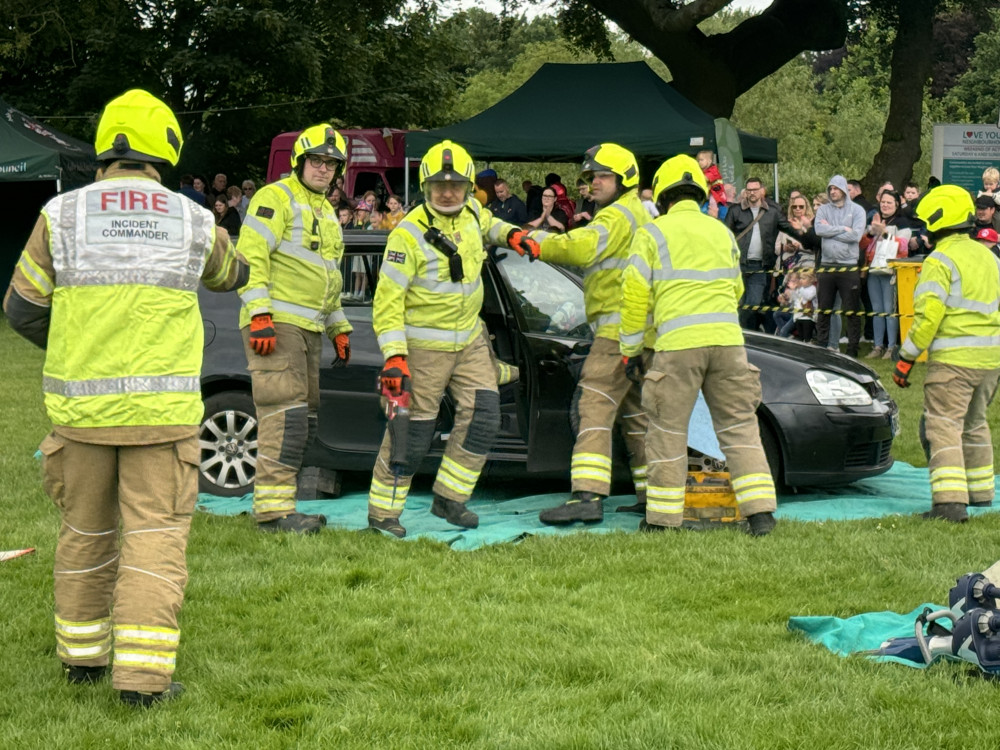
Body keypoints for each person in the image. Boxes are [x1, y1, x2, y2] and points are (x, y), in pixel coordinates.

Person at [2, 89, 249, 706]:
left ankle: (82, 659)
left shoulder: (59, 215)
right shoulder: (193, 218)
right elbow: (233, 275)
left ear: (105, 146)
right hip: (161, 423)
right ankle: (142, 683)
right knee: (154, 542)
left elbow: (22, 310)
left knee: (83, 533)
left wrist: (74, 350)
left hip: (80, 418)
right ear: (164, 146)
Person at [366, 140, 538, 538]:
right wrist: (395, 356)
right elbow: (386, 303)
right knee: (410, 432)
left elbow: (490, 225)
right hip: (423, 349)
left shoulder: (473, 212)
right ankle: (382, 515)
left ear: (468, 188)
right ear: (425, 187)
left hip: (471, 340)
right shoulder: (406, 236)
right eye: (439, 185)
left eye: (457, 185)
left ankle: (449, 498)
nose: (448, 192)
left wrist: (514, 235)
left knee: (484, 416)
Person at [619, 154, 777, 535]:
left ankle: (661, 521)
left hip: (677, 347)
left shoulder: (653, 233)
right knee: (739, 426)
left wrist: (630, 350)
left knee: (667, 430)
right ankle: (760, 515)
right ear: (701, 193)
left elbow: (635, 296)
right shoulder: (720, 231)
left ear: (661, 195)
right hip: (728, 343)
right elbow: (737, 288)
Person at [513, 143, 653, 525]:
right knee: (636, 413)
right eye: (591, 177)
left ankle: (586, 497)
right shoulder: (638, 213)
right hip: (641, 332)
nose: (594, 183)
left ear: (624, 178)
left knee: (593, 406)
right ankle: (651, 496)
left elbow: (581, 247)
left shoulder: (616, 216)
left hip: (615, 331)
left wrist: (533, 241)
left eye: (603, 176)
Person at [237, 124, 353, 534]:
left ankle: (283, 505)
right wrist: (260, 315)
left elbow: (330, 278)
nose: (323, 169)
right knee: (284, 416)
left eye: (331, 164)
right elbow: (250, 257)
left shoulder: (326, 212)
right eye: (317, 161)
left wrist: (339, 327)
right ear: (300, 162)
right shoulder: (276, 197)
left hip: (308, 328)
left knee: (302, 420)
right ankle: (272, 514)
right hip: (278, 326)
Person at [893, 185, 1000, 523]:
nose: (924, 230)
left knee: (943, 426)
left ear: (939, 221)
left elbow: (927, 318)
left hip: (954, 362)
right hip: (991, 360)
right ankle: (981, 493)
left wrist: (905, 358)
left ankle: (950, 503)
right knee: (975, 423)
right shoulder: (989, 255)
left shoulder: (939, 260)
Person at [725, 176, 804, 331]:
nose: (752, 193)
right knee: (738, 302)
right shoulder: (735, 210)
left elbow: (789, 229)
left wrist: (807, 236)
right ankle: (743, 333)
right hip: (738, 265)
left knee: (753, 303)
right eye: (749, 190)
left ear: (762, 191)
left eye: (755, 189)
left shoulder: (773, 212)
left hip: (760, 265)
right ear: (746, 192)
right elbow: (724, 233)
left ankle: (743, 332)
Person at [859, 190, 917, 359]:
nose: (885, 205)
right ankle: (877, 346)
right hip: (873, 269)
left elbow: (904, 245)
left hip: (891, 271)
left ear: (896, 205)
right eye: (883, 202)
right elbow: (862, 244)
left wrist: (884, 233)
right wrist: (871, 232)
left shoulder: (903, 222)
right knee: (876, 310)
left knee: (889, 310)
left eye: (889, 202)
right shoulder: (874, 220)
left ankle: (891, 347)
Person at [814, 175, 867, 357]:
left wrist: (831, 231)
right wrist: (843, 229)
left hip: (848, 266)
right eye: (830, 189)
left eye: (836, 188)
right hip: (827, 265)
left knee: (851, 310)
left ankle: (853, 348)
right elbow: (819, 230)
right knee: (824, 309)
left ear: (844, 189)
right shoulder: (822, 210)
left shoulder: (858, 210)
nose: (833, 191)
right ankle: (822, 345)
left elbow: (856, 236)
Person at [791, 269, 818, 343]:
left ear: (811, 279)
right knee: (800, 338)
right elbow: (794, 299)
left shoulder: (813, 288)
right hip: (798, 316)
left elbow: (808, 297)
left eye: (804, 278)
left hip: (808, 317)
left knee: (807, 338)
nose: (801, 280)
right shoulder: (800, 289)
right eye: (800, 278)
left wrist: (800, 289)